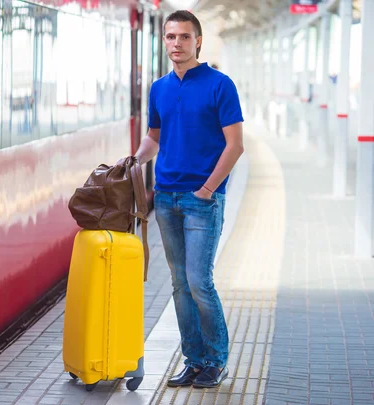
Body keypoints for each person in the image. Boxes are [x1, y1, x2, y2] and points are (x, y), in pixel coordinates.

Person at [134, 10, 244, 389]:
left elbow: (235, 146)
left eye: (183, 37)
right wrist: (133, 161)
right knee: (179, 284)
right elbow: (154, 138)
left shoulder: (219, 84)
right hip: (165, 198)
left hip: (202, 199)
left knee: (199, 282)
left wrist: (208, 189)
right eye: (169, 37)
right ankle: (194, 360)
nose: (175, 44)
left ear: (198, 40)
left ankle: (215, 359)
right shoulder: (159, 88)